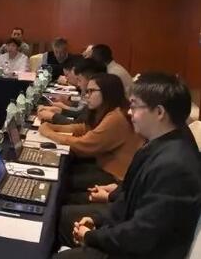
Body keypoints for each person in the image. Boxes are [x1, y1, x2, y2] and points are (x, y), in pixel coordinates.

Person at [55, 73, 201, 259]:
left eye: (134, 106)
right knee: (60, 218)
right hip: (129, 235)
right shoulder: (163, 141)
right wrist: (97, 220)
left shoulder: (174, 166)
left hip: (140, 253)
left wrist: (91, 236)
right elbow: (129, 204)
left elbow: (141, 235)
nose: (129, 113)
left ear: (159, 112)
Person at [39, 74, 143, 202]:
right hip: (104, 165)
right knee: (62, 176)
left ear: (107, 91)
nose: (86, 96)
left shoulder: (116, 117)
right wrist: (55, 127)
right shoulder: (108, 111)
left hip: (115, 177)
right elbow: (85, 128)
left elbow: (84, 145)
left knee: (59, 186)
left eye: (91, 91)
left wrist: (48, 133)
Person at [37, 58, 107, 124]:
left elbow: (79, 125)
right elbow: (80, 113)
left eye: (79, 80)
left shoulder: (99, 102)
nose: (78, 84)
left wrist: (54, 116)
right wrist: (60, 109)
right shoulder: (91, 94)